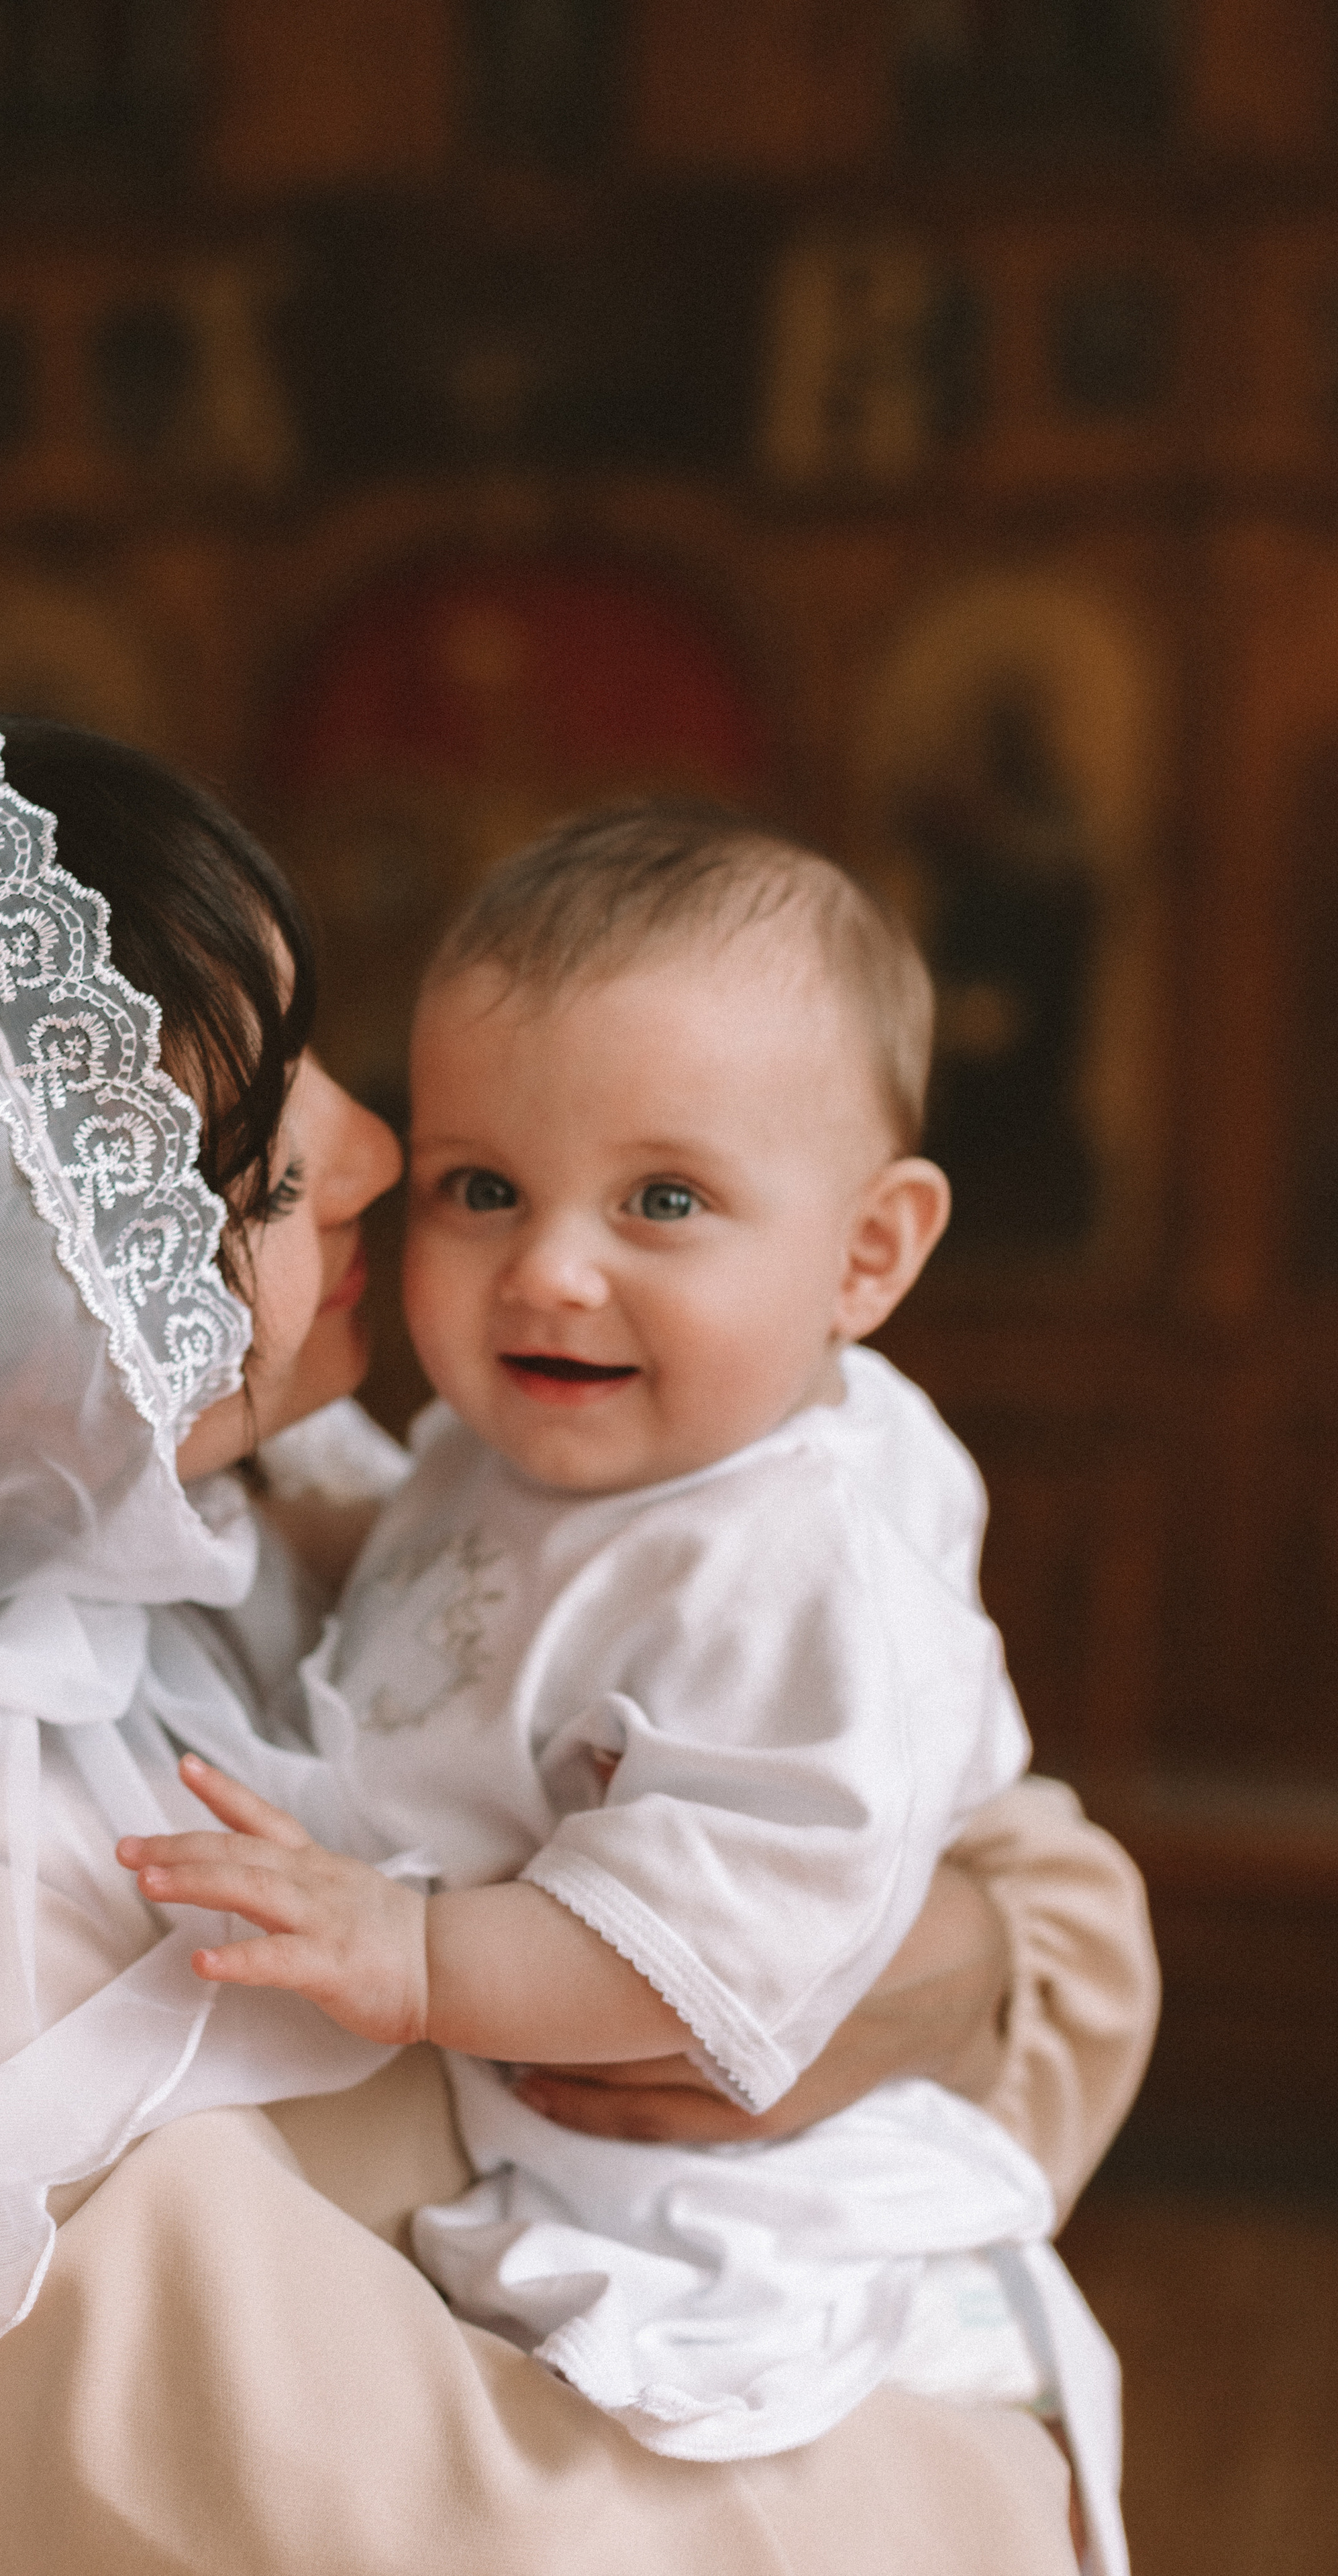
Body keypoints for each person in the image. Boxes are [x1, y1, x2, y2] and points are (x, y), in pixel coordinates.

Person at [0, 636, 1155, 2576]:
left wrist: (934, 1973)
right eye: (254, 1176)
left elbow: (1017, 1866)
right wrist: (999, 2461)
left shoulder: (216, 1514)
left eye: (323, 1056)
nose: (375, 1159)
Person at [111, 812, 1123, 2569]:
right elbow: (463, 1591)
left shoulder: (793, 1570)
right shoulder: (562, 1446)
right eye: (482, 1187)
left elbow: (709, 1942)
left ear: (868, 1257)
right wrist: (299, 1520)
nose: (550, 1267)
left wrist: (417, 1954)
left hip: (733, 2208)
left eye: (664, 1199)